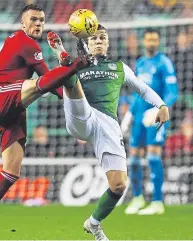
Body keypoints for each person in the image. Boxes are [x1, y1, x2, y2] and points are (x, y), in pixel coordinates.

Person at [0, 4, 90, 240]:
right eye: (33, 20)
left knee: (11, 172)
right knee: (35, 87)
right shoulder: (23, 42)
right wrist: (75, 67)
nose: (38, 24)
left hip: (13, 108)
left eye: (41, 20)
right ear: (22, 23)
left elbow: (51, 81)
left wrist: (75, 107)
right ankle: (80, 63)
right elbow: (47, 81)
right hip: (1, 95)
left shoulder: (30, 45)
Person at [47, 25, 169, 240]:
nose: (99, 41)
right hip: (81, 116)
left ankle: (93, 223)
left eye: (103, 38)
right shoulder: (81, 65)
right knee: (70, 72)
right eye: (94, 39)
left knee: (119, 184)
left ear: (108, 42)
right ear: (88, 43)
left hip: (107, 124)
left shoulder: (119, 67)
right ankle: (62, 58)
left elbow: (142, 88)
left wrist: (161, 105)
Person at [121, 28, 178, 215]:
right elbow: (138, 93)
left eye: (154, 39)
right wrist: (130, 113)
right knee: (134, 158)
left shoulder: (165, 63)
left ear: (158, 41)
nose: (151, 42)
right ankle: (137, 198)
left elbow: (172, 92)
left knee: (153, 156)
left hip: (156, 117)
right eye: (148, 39)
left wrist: (159, 108)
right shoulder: (140, 63)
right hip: (139, 116)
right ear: (144, 41)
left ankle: (157, 201)